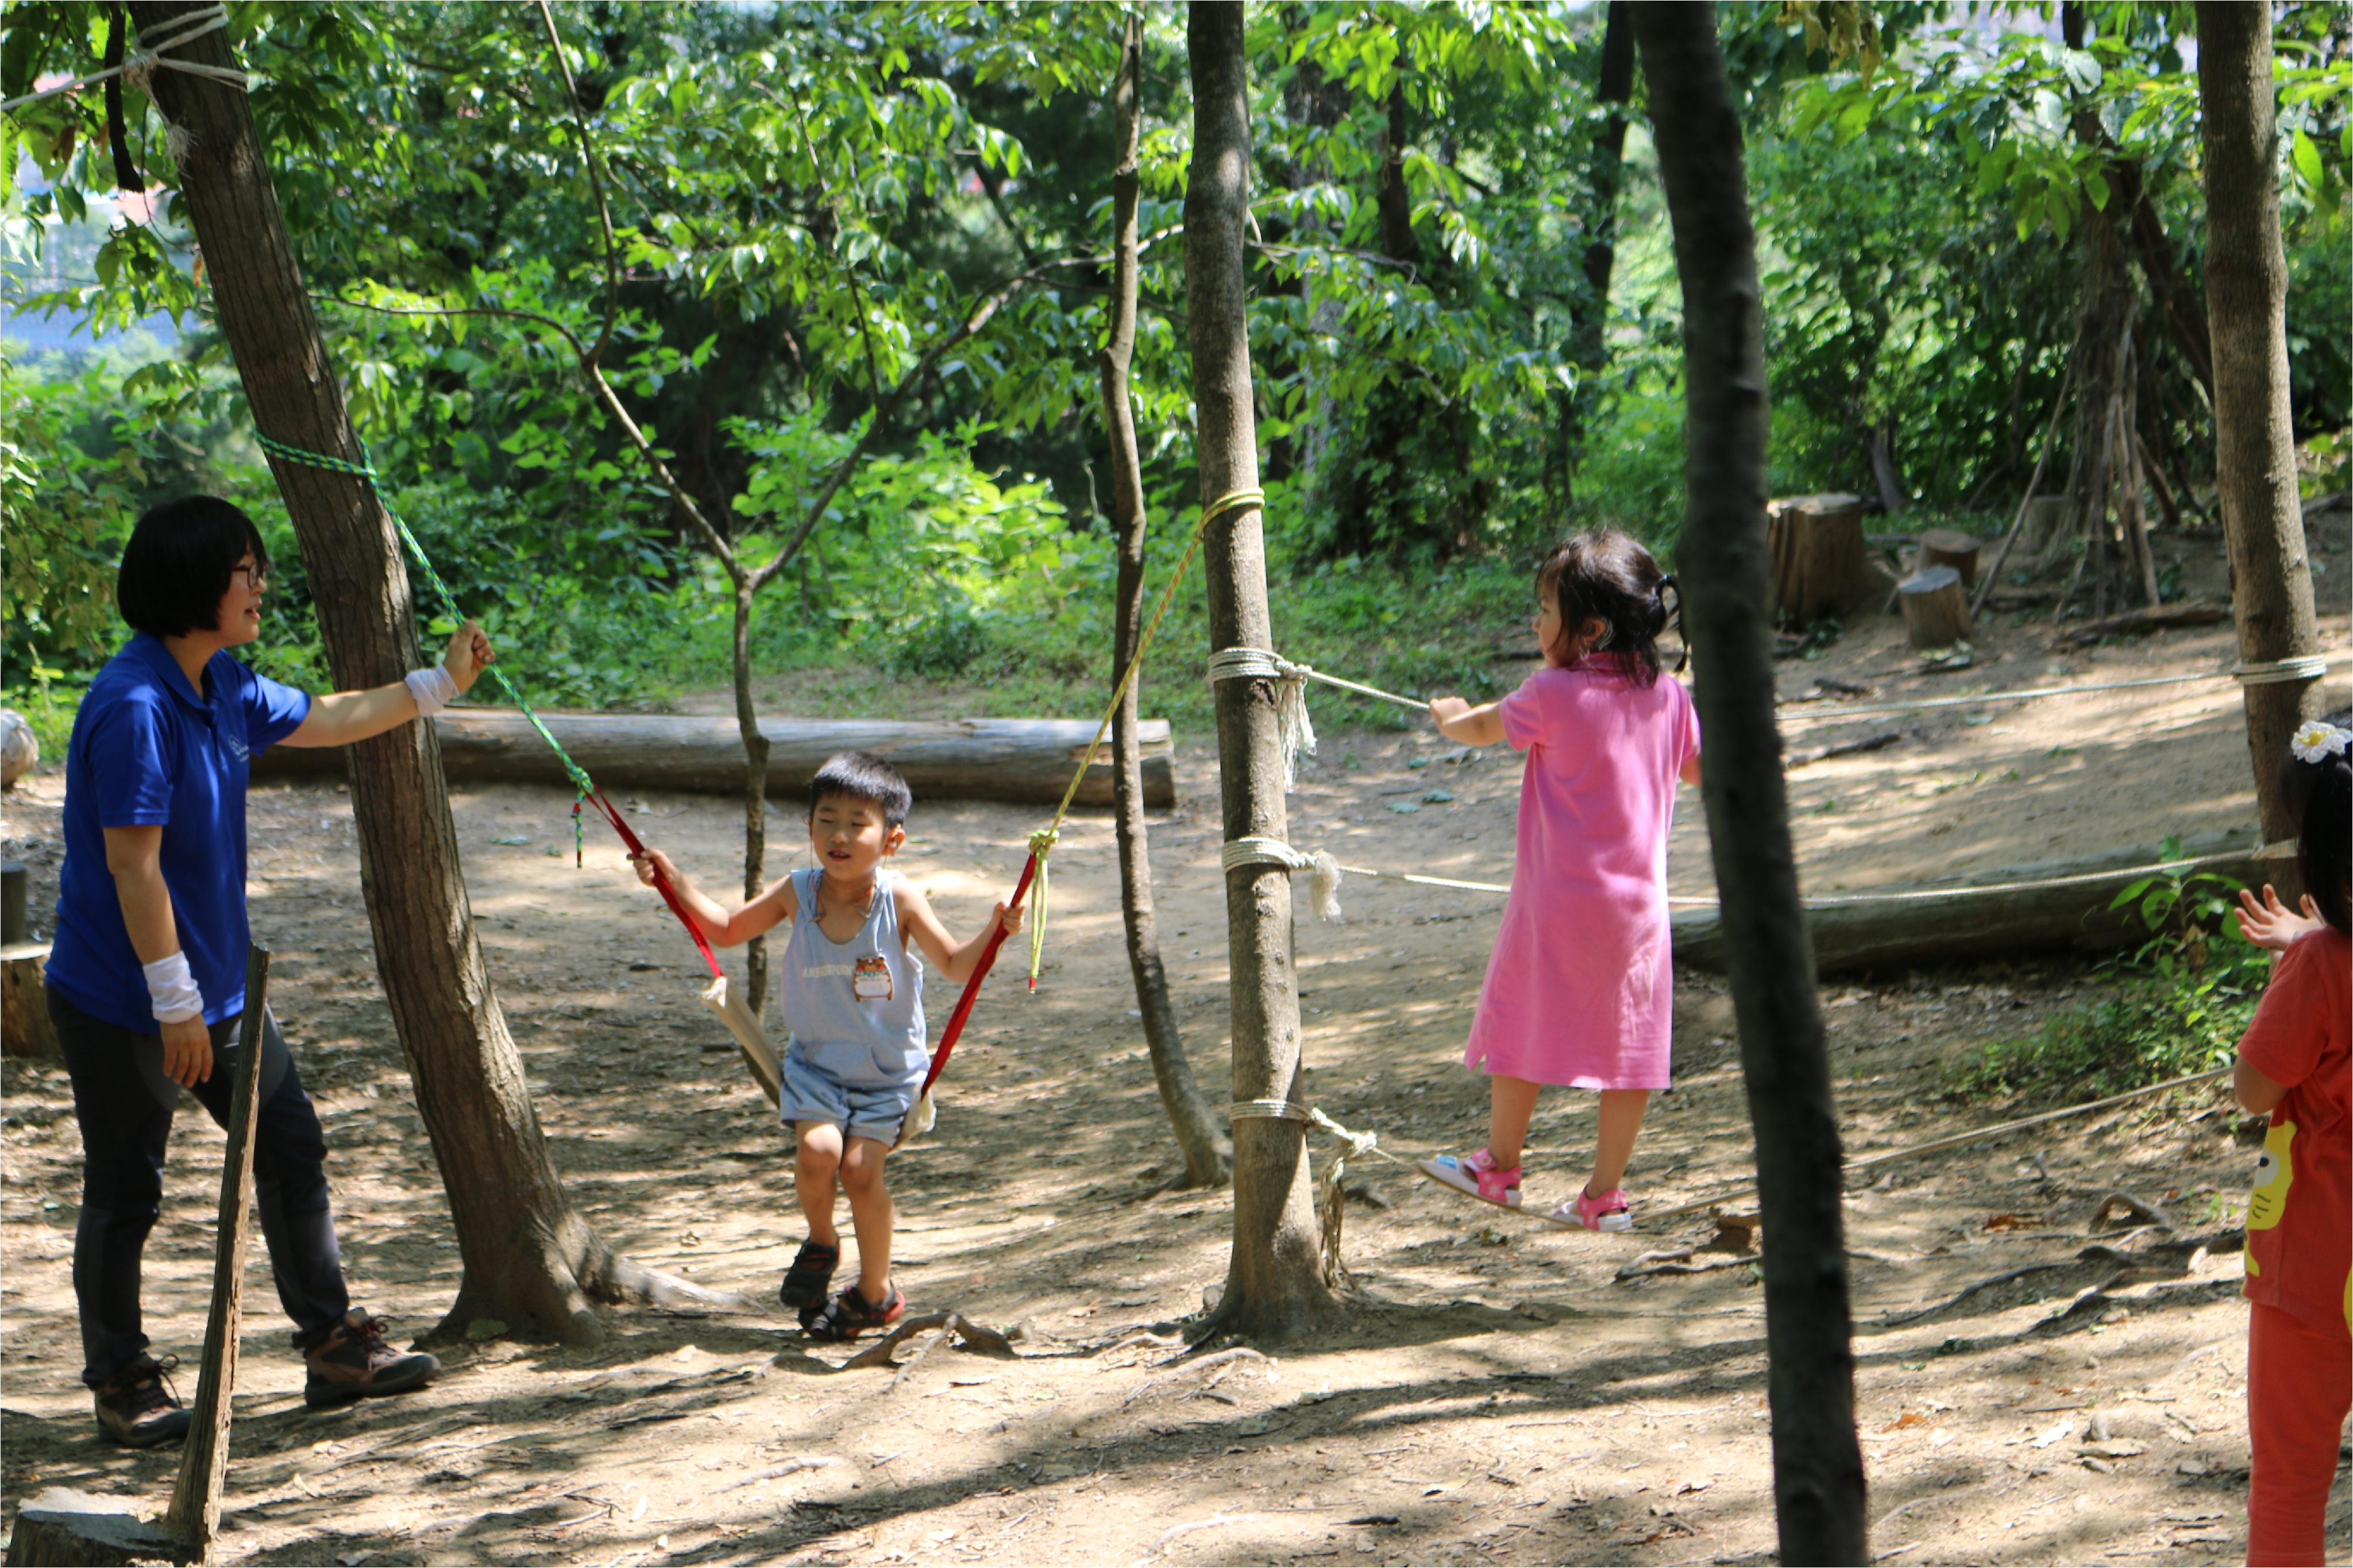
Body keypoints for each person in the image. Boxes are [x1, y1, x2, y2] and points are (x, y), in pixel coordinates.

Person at [44, 495, 492, 1445]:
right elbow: (133, 867)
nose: (260, 586)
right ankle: (121, 1378)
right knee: (128, 1188)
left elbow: (325, 718)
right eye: (245, 571)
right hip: (124, 997)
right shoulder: (134, 707)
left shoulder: (221, 683)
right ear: (194, 583)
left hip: (219, 994)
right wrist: (175, 1005)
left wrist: (437, 687)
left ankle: (333, 1345)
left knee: (291, 1147)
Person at [628, 751, 1022, 1340]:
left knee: (862, 1171)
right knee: (817, 1154)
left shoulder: (900, 898)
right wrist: (673, 880)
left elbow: (955, 966)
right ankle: (822, 1241)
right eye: (826, 820)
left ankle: (876, 1293)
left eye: (857, 823)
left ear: (891, 839)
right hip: (816, 1067)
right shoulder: (798, 890)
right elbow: (728, 929)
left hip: (889, 1074)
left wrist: (995, 930)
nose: (839, 835)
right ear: (810, 827)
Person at [1415, 529, 1701, 1231]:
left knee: (1520, 1017)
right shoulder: (1669, 699)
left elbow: (1486, 729)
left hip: (1553, 907)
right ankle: (1604, 1198)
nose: (1536, 624)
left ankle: (1500, 1167)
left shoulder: (1549, 692)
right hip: (1638, 916)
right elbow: (1705, 771)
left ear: (1592, 628)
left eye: (1545, 609)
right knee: (1632, 1051)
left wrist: (1451, 720)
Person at [2227, 710, 2350, 1568]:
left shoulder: (2317, 971)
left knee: (2290, 1479)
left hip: (2317, 1268)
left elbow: (2254, 1090)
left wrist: (2297, 963)